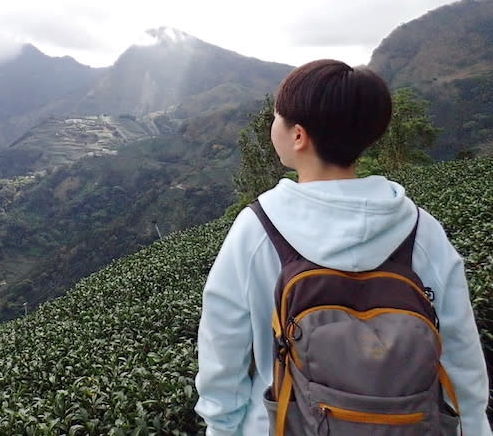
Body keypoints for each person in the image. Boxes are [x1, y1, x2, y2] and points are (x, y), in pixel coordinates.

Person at [194, 59, 491, 435]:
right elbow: (461, 356)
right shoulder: (420, 229)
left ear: (298, 135)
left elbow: (223, 356)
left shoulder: (258, 228)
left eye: (276, 117)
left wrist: (220, 428)